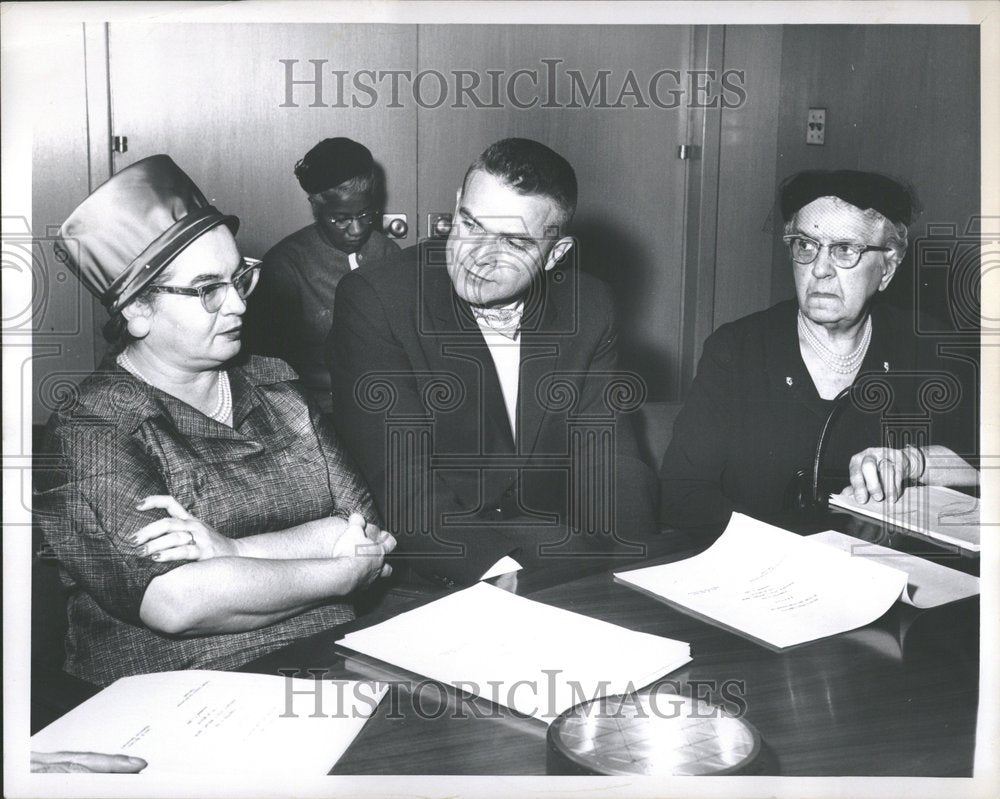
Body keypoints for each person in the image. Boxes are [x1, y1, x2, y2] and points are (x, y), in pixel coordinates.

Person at [36, 155, 395, 687]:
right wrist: (341, 574)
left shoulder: (276, 387)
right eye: (208, 289)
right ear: (137, 310)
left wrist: (230, 552)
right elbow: (177, 601)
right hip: (179, 688)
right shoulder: (90, 430)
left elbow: (362, 531)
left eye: (239, 278)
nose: (238, 306)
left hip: (332, 657)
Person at [327, 138, 658, 587]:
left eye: (515, 242)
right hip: (435, 571)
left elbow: (609, 458)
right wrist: (498, 573)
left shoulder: (591, 306)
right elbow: (399, 480)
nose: (478, 258)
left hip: (561, 558)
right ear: (458, 205)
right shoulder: (377, 300)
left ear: (554, 255)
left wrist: (634, 566)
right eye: (471, 225)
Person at [659, 170, 979, 534]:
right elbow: (681, 495)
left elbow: (984, 460)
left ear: (887, 266)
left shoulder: (926, 346)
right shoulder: (737, 349)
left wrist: (910, 462)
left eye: (845, 249)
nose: (820, 269)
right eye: (806, 246)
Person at [244, 137, 400, 414]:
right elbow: (268, 368)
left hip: (385, 401)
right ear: (316, 207)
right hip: (314, 411)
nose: (356, 230)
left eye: (365, 214)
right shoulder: (285, 266)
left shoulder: (387, 252)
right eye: (340, 219)